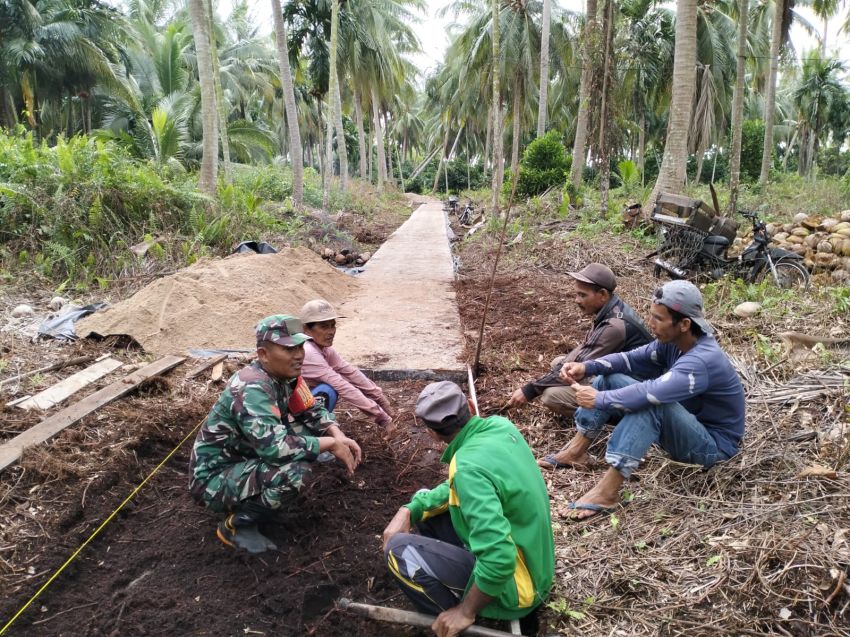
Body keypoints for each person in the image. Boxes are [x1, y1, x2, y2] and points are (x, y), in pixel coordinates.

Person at [557, 280, 746, 521]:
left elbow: (652, 393)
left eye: (658, 318)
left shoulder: (702, 359)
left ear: (685, 324)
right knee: (611, 376)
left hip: (712, 449)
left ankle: (607, 492)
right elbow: (628, 360)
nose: (651, 324)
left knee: (651, 405)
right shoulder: (674, 344)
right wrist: (586, 366)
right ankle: (576, 452)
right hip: (689, 425)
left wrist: (600, 399)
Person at [382, 381, 554, 637]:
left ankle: (459, 623)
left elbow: (499, 559)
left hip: (519, 588)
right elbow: (458, 487)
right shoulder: (500, 426)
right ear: (471, 407)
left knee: (399, 552)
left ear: (431, 433)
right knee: (425, 501)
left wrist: (465, 611)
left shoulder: (467, 468)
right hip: (536, 565)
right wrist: (411, 509)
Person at [189, 315, 362, 554]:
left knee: (310, 434)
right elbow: (276, 449)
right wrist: (330, 444)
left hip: (244, 455)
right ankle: (236, 525)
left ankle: (258, 500)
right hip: (213, 478)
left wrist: (336, 433)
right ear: (263, 354)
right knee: (295, 473)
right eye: (289, 348)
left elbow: (310, 409)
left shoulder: (286, 376)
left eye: (300, 346)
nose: (299, 354)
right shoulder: (252, 387)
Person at [504, 263, 652, 470]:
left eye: (582, 296)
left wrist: (530, 390)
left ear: (602, 294)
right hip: (623, 376)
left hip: (632, 393)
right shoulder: (611, 310)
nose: (577, 301)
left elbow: (583, 362)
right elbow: (583, 351)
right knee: (559, 363)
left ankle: (608, 421)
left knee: (551, 396)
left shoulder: (614, 327)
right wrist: (557, 371)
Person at [299, 299, 395, 430]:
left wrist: (380, 398)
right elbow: (342, 385)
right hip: (284, 409)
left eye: (332, 325)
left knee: (329, 388)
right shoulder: (308, 351)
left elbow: (349, 372)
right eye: (324, 326)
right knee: (327, 391)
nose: (331, 331)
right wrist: (382, 419)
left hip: (296, 401)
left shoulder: (322, 348)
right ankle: (306, 434)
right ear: (306, 330)